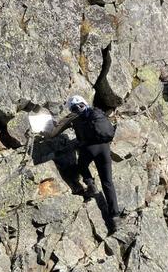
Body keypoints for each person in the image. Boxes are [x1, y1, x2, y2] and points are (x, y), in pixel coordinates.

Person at [45, 95, 122, 230]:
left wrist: (46, 132)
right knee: (107, 182)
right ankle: (115, 217)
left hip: (89, 148)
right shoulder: (97, 112)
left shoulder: (73, 116)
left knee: (81, 165)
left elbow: (55, 131)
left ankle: (90, 183)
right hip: (104, 148)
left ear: (72, 107)